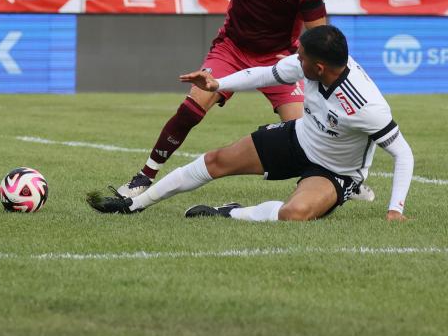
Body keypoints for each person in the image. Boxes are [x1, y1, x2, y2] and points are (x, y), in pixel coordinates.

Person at [112, 0, 367, 203]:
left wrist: (321, 76)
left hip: (278, 60)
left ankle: (344, 177)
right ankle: (144, 176)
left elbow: (319, 36)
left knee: (302, 131)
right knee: (192, 107)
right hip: (232, 49)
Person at [88, 26, 413, 223]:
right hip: (298, 138)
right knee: (216, 160)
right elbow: (263, 73)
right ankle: (135, 204)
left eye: (300, 58)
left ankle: (228, 213)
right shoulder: (311, 64)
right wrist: (218, 85)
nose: (295, 61)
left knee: (293, 215)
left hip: (335, 171)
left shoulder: (366, 106)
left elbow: (403, 154)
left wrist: (395, 209)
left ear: (319, 66)